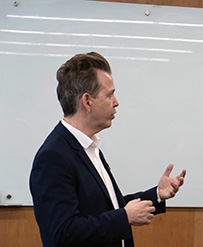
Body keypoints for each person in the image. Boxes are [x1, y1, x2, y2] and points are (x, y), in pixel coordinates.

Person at [30, 52, 186, 247]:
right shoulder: (53, 157)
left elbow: (108, 207)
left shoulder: (89, 147)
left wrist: (156, 195)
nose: (116, 102)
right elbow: (62, 233)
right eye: (109, 94)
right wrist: (124, 218)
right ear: (87, 101)